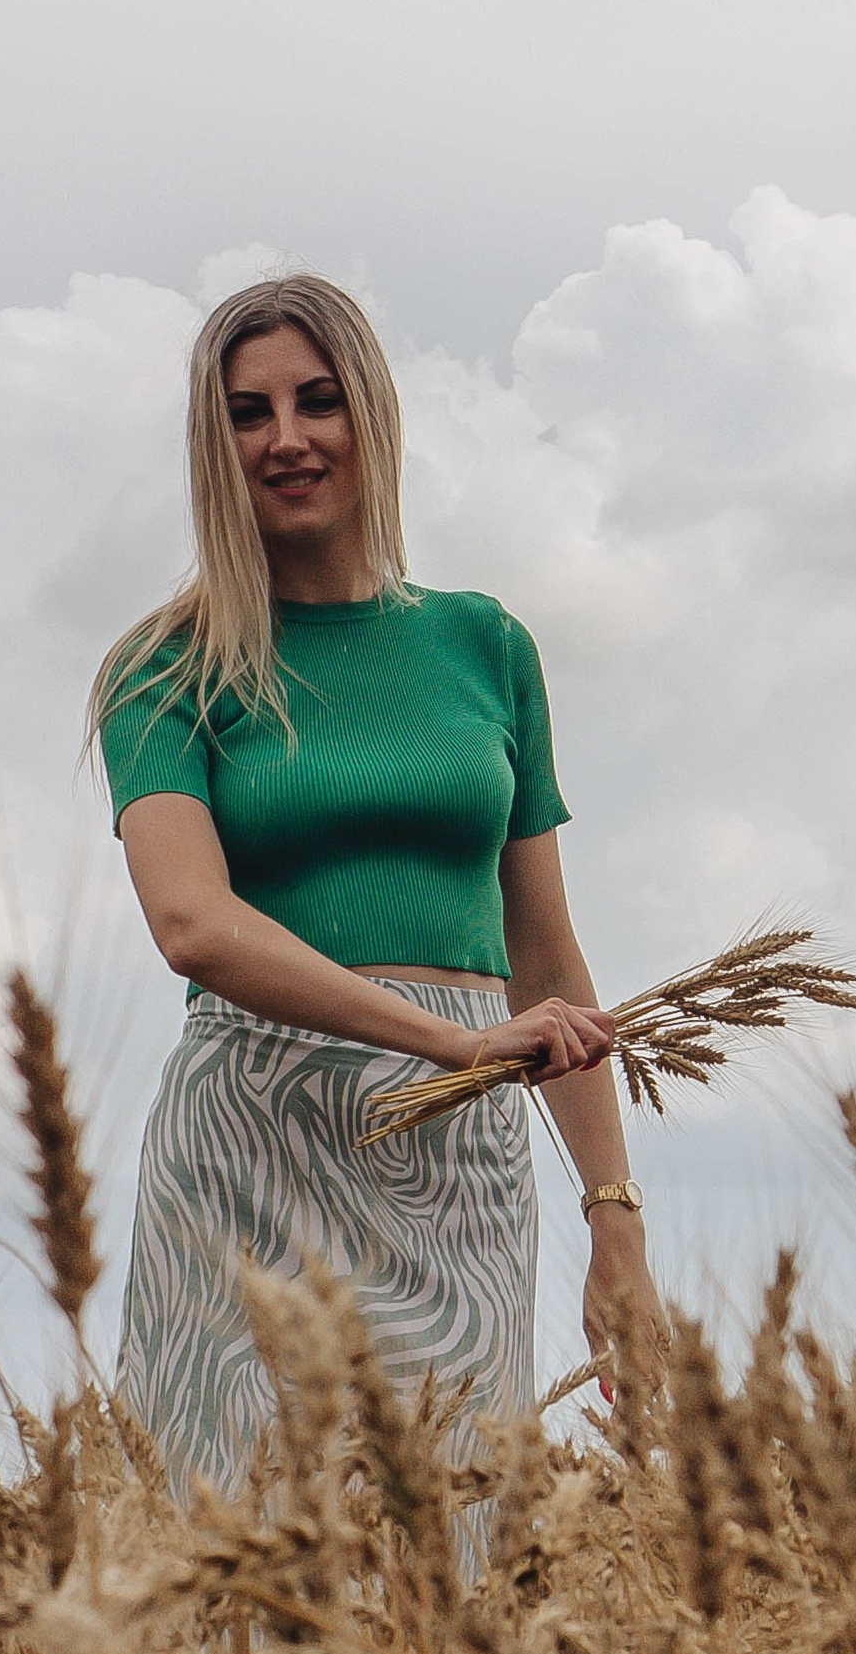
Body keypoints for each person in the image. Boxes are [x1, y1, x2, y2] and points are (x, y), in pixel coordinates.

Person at [89, 272, 662, 1494]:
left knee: (450, 1555)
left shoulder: (485, 647)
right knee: (238, 1569)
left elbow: (548, 960)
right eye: (247, 414)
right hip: (250, 1147)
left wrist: (614, 1217)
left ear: (372, 417)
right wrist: (446, 1046)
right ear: (214, 445)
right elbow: (191, 926)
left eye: (317, 400)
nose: (287, 439)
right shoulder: (165, 668)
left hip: (460, 1156)